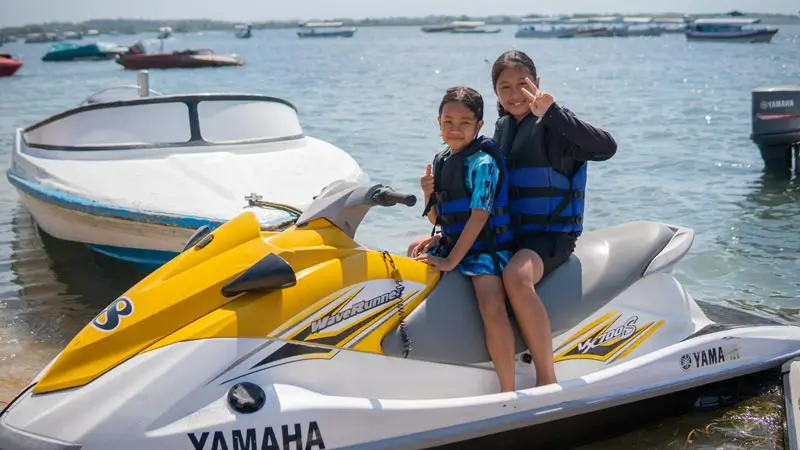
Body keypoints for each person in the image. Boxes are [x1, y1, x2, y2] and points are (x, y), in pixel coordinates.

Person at [410, 50, 617, 389]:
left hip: (549, 236)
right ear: (495, 93)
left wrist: (554, 113)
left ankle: (546, 378)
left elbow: (606, 147)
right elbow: (483, 194)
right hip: (509, 234)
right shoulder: (502, 129)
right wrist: (446, 232)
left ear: (537, 84)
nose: (513, 94)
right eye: (503, 86)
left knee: (516, 277)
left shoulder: (555, 126)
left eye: (522, 84)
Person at [414, 86, 519, 392]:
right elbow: (437, 219)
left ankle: (508, 388)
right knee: (413, 250)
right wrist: (427, 193)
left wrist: (449, 260)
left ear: (479, 126)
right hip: (457, 243)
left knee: (490, 302)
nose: (455, 129)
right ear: (438, 122)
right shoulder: (442, 160)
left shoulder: (483, 164)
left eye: (464, 122)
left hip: (488, 250)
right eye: (448, 121)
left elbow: (479, 217)